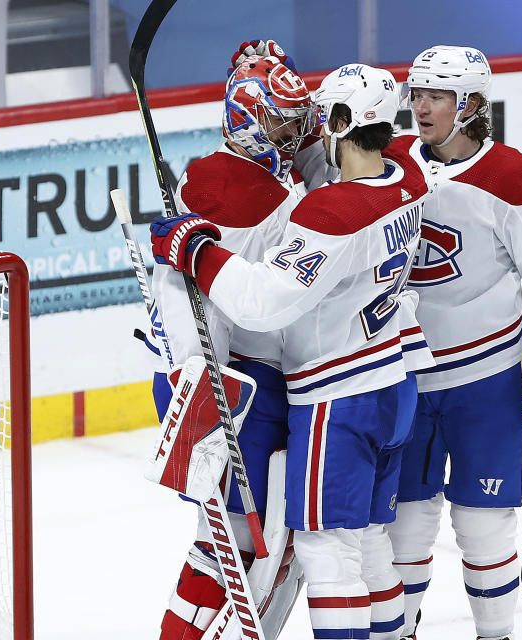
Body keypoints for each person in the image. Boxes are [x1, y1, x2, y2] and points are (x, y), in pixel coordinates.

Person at [151, 62, 434, 640]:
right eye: (284, 120)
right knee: (350, 541)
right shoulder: (408, 176)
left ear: (342, 121)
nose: (301, 130)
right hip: (389, 378)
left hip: (334, 395)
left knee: (322, 553)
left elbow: (260, 303)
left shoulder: (329, 213)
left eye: (312, 117)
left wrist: (195, 249)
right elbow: (329, 157)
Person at [383, 46, 522, 640]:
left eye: (436, 96)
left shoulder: (516, 179)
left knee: (484, 522)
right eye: (415, 94)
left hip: (487, 378)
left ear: (470, 105)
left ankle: (495, 634)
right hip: (406, 373)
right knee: (405, 522)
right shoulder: (393, 161)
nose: (420, 107)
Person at [147, 49, 318, 640]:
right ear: (248, 119)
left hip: (257, 385)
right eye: (280, 121)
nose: (295, 133)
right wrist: (201, 388)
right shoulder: (229, 190)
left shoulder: (259, 176)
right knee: (240, 545)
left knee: (256, 546)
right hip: (238, 393)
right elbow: (182, 296)